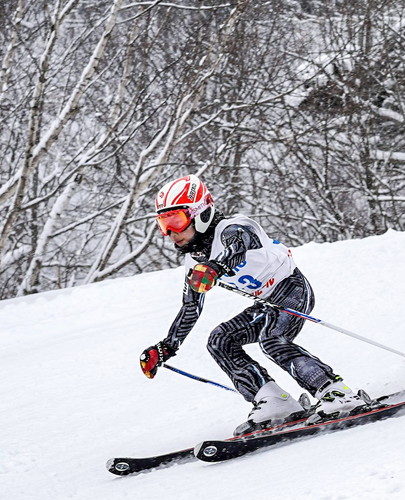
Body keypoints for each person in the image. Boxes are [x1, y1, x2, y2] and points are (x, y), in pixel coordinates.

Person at [138, 174, 366, 436]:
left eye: (175, 220)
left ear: (200, 213)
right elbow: (191, 308)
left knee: (272, 339)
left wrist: (216, 267)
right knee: (220, 340)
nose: (169, 233)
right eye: (162, 223)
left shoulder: (236, 227)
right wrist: (167, 347)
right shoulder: (194, 261)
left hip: (291, 288)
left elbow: (238, 246)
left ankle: (335, 393)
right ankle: (274, 401)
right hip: (266, 303)